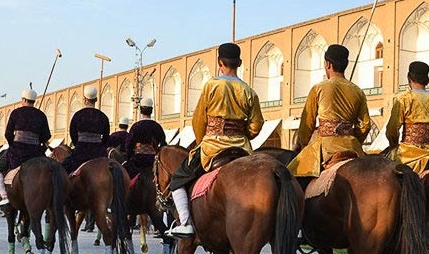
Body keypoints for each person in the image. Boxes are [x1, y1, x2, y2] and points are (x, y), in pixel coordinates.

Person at [166, 43, 263, 238]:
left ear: (220, 62)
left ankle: (185, 222)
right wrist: (242, 135)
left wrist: (204, 140)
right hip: (242, 148)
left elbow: (198, 120)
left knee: (177, 179)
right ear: (240, 63)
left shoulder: (211, 85)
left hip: (213, 146)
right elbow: (256, 125)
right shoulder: (249, 91)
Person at [287, 44, 370, 179]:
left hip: (326, 148)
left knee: (289, 177)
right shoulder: (358, 91)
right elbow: (365, 125)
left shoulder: (319, 88)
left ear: (328, 64)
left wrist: (301, 144)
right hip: (352, 147)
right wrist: (353, 139)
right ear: (346, 64)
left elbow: (307, 123)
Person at [383, 61, 429, 174]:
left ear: (409, 78)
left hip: (407, 155)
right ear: (427, 79)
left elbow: (392, 130)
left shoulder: (404, 98)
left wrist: (393, 145)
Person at [0, 89, 51, 208]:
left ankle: (4, 196)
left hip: (17, 152)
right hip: (35, 153)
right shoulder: (41, 115)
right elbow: (46, 136)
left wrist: (13, 144)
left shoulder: (16, 113)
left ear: (23, 100)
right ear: (34, 101)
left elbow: (8, 133)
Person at [61, 86, 110, 174]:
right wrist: (101, 147)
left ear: (84, 99)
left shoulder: (78, 115)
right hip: (99, 154)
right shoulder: (103, 116)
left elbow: (73, 134)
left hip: (80, 152)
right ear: (96, 99)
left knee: (63, 169)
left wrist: (78, 145)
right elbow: (106, 137)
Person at [122, 98, 166, 179]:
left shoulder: (136, 126)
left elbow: (128, 145)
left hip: (137, 161)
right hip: (153, 161)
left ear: (141, 111)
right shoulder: (157, 126)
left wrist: (131, 157)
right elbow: (163, 144)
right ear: (151, 111)